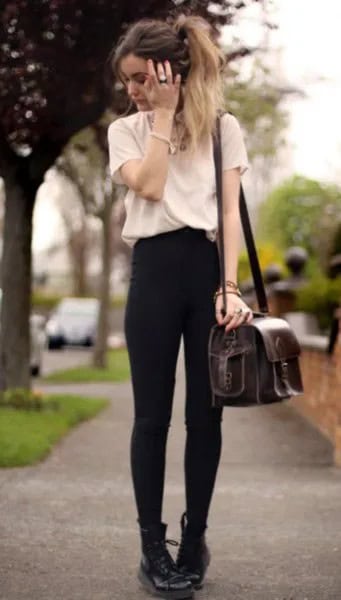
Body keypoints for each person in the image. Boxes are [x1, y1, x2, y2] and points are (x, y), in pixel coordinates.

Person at [107, 14, 253, 600]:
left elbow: (229, 212)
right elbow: (147, 187)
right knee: (150, 419)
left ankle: (194, 544)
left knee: (204, 419)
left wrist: (230, 285)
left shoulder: (224, 129)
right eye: (128, 82)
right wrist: (161, 116)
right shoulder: (129, 131)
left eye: (142, 78)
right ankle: (151, 547)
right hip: (154, 275)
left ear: (173, 70)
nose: (133, 90)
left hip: (206, 273)